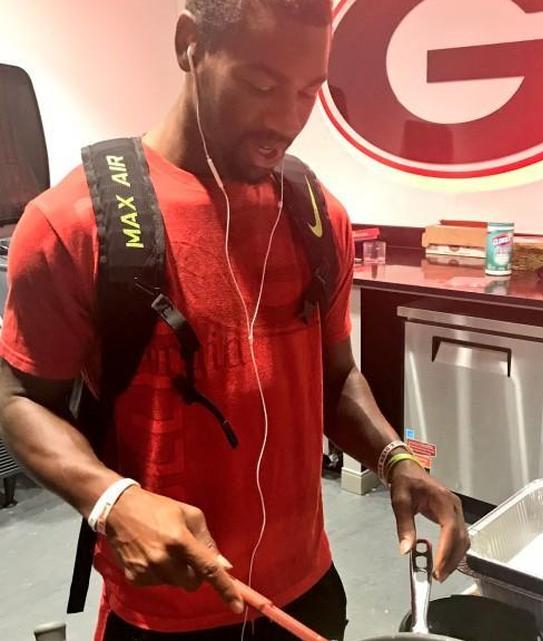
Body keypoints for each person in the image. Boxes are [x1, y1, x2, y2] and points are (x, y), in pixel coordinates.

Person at [0, 1, 468, 639]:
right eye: (261, 83)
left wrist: (396, 459)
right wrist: (110, 499)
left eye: (309, 91)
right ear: (189, 44)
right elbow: (18, 398)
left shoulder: (315, 215)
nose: (287, 118)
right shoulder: (74, 222)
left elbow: (333, 377)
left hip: (309, 594)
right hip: (166, 612)